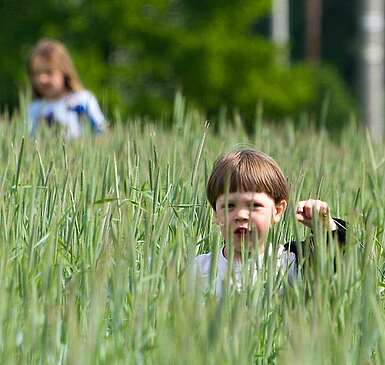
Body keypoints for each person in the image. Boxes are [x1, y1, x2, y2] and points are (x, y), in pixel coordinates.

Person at [195, 149, 346, 298]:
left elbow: (341, 264)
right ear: (215, 213)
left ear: (278, 211)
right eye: (229, 206)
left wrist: (325, 226)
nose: (240, 215)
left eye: (254, 206)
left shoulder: (290, 263)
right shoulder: (197, 269)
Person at [27, 39, 106, 139]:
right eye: (36, 73)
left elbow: (101, 131)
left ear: (64, 71)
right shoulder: (34, 109)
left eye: (49, 72)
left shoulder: (83, 100)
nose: (42, 79)